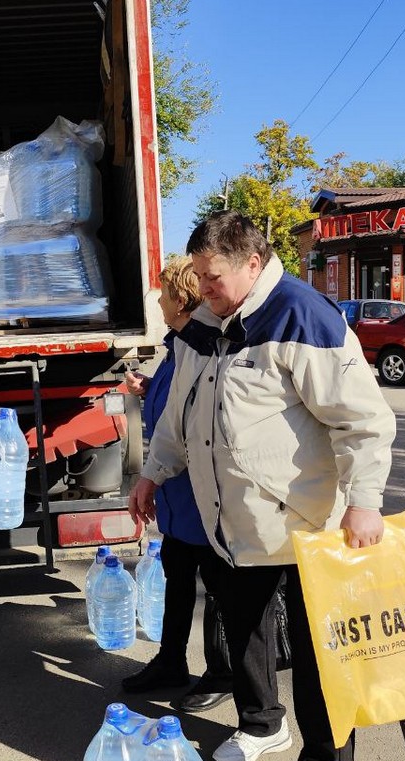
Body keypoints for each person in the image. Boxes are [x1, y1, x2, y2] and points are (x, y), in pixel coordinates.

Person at [129, 211, 397, 761]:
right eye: (197, 274)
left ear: (253, 264)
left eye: (212, 275)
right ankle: (260, 724)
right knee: (244, 631)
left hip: (308, 521)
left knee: (317, 654)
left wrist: (365, 503)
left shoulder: (304, 316)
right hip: (233, 519)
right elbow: (180, 411)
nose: (202, 287)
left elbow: (365, 422)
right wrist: (153, 472)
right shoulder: (205, 320)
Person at [121, 256, 233, 713]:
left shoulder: (201, 344)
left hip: (199, 496)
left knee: (218, 588)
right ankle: (170, 661)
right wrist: (151, 388)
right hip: (175, 496)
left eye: (163, 293)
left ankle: (222, 673)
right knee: (178, 578)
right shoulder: (178, 344)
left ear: (182, 300)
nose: (158, 301)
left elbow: (195, 426)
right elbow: (175, 405)